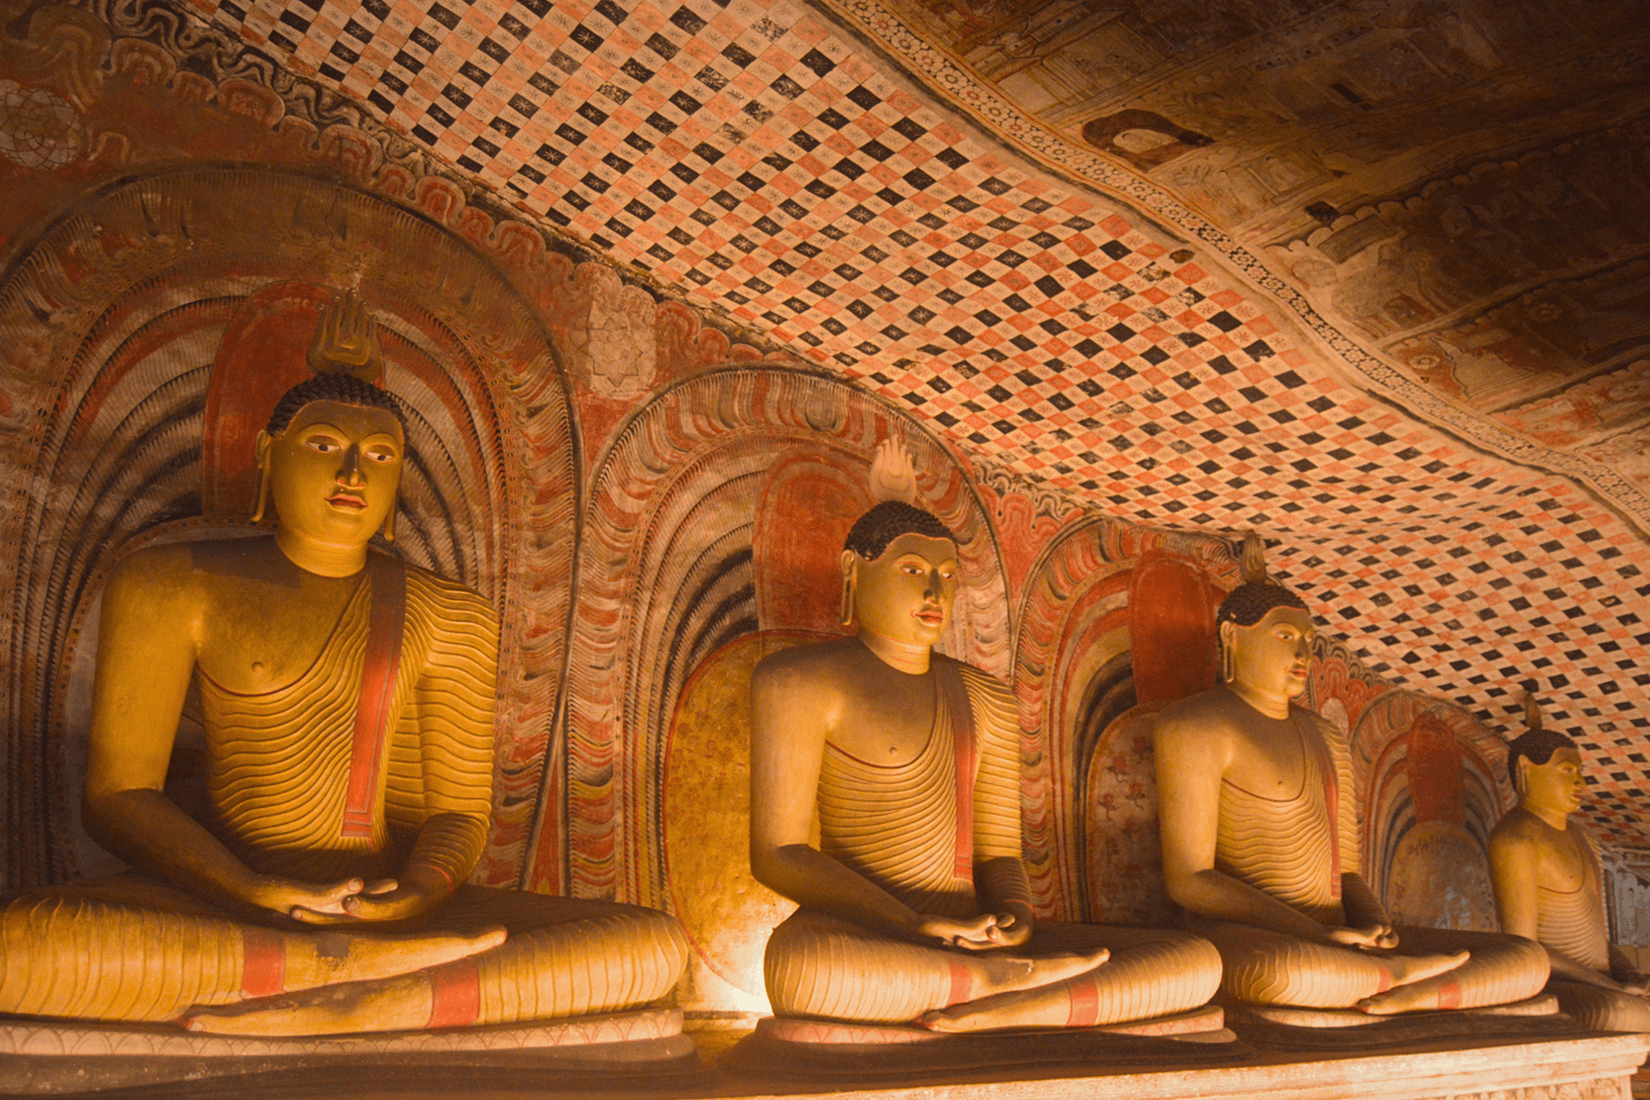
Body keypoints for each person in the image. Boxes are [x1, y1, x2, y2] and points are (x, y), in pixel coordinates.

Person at [0, 294, 686, 1036]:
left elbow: (456, 811)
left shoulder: (447, 613)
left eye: (381, 456)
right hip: (224, 897)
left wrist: (421, 889)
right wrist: (249, 886)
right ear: (269, 457)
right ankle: (347, 973)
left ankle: (370, 990)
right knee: (17, 947)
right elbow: (120, 796)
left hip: (387, 903)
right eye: (325, 444)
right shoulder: (171, 583)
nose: (355, 470)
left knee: (648, 945)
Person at [749, 447, 1222, 1032]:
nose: (934, 593)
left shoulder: (988, 698)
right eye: (912, 570)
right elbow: (779, 853)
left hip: (977, 937)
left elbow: (1000, 853)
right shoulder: (800, 680)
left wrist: (1015, 916)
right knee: (804, 968)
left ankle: (1004, 1000)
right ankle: (1006, 993)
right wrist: (906, 923)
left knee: (1197, 961)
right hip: (873, 932)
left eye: (947, 576)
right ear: (853, 571)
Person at [1152, 535, 1548, 1015]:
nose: (1303, 654)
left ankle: (1403, 988)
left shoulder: (1325, 735)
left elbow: (1347, 872)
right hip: (1262, 938)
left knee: (1527, 957)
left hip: (1341, 936)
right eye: (1284, 636)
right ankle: (1398, 984)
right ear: (1232, 636)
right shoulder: (1195, 724)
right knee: (1279, 971)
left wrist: (1376, 923)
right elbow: (1191, 880)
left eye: (1307, 641)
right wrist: (1314, 934)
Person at [1489, 699, 1650, 1031]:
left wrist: (1628, 973)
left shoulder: (1579, 834)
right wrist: (1609, 986)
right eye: (1566, 770)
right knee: (1613, 1011)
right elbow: (1525, 949)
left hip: (1604, 981)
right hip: (1560, 986)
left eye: (1580, 772)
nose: (1581, 784)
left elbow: (1596, 934)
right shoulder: (1516, 839)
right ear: (1525, 767)